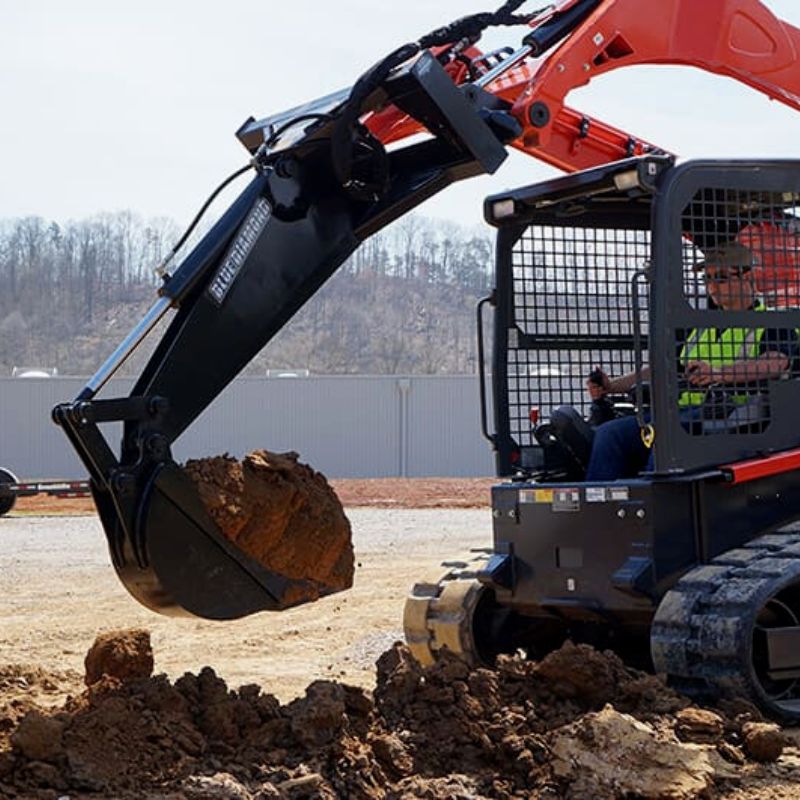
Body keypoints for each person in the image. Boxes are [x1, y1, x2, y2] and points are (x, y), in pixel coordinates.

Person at [584, 242, 797, 481]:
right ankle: (596, 500)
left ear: (748, 276)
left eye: (721, 278)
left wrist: (718, 374)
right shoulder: (700, 326)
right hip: (686, 415)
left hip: (732, 420)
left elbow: (776, 362)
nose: (712, 287)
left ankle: (651, 505)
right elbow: (663, 368)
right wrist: (612, 385)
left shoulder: (772, 323)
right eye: (707, 279)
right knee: (609, 435)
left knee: (666, 439)